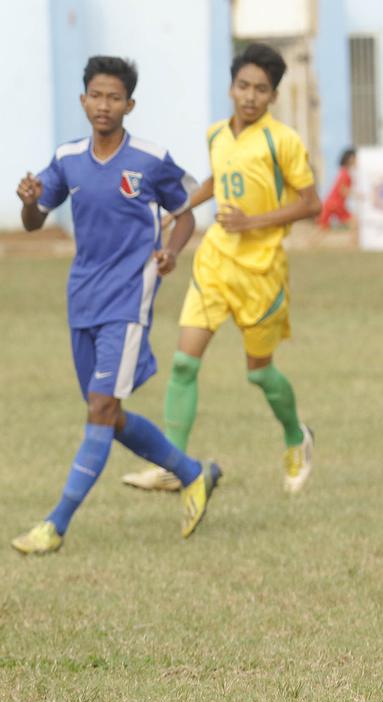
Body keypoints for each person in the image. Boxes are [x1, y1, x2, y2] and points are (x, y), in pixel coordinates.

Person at [10, 56, 221, 555]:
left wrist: (171, 251)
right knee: (107, 412)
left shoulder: (151, 158)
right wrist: (28, 200)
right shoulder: (67, 159)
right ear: (83, 100)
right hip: (82, 296)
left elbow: (186, 213)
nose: (104, 105)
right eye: (95, 96)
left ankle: (54, 525)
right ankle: (192, 473)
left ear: (130, 104)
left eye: (114, 97)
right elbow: (33, 221)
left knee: (101, 408)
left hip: (131, 296)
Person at [122, 43, 320, 495]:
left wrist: (253, 222)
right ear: (231, 87)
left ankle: (296, 437)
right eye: (243, 86)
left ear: (272, 96)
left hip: (261, 272)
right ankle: (173, 463)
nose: (250, 96)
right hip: (215, 263)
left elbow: (312, 204)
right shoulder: (217, 134)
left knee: (259, 373)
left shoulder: (282, 140)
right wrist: (176, 210)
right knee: (183, 364)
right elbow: (217, 180)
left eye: (261, 90)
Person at [317, 148, 355, 230]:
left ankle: (308, 242)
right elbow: (342, 190)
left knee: (323, 228)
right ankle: (353, 242)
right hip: (336, 204)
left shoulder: (343, 171)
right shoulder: (345, 173)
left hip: (330, 202)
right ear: (350, 158)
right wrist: (356, 195)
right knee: (355, 223)